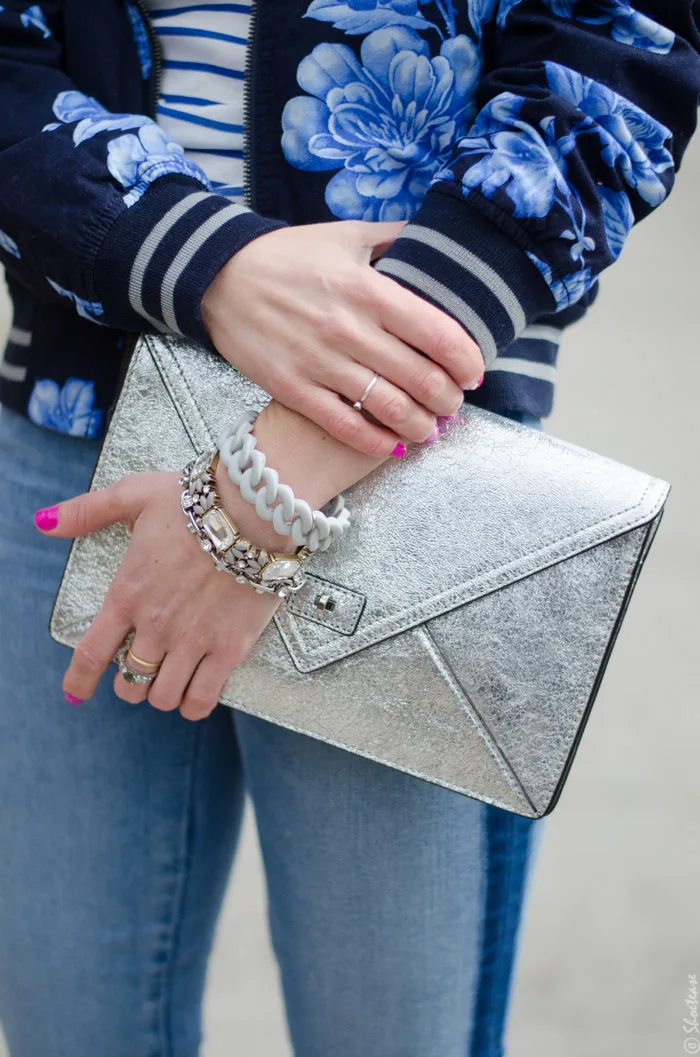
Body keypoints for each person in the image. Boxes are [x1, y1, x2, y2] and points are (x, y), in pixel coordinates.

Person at [0, 1, 697, 1054]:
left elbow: (618, 49)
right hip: (79, 419)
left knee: (391, 1028)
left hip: (422, 472)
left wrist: (266, 483)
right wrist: (208, 265)